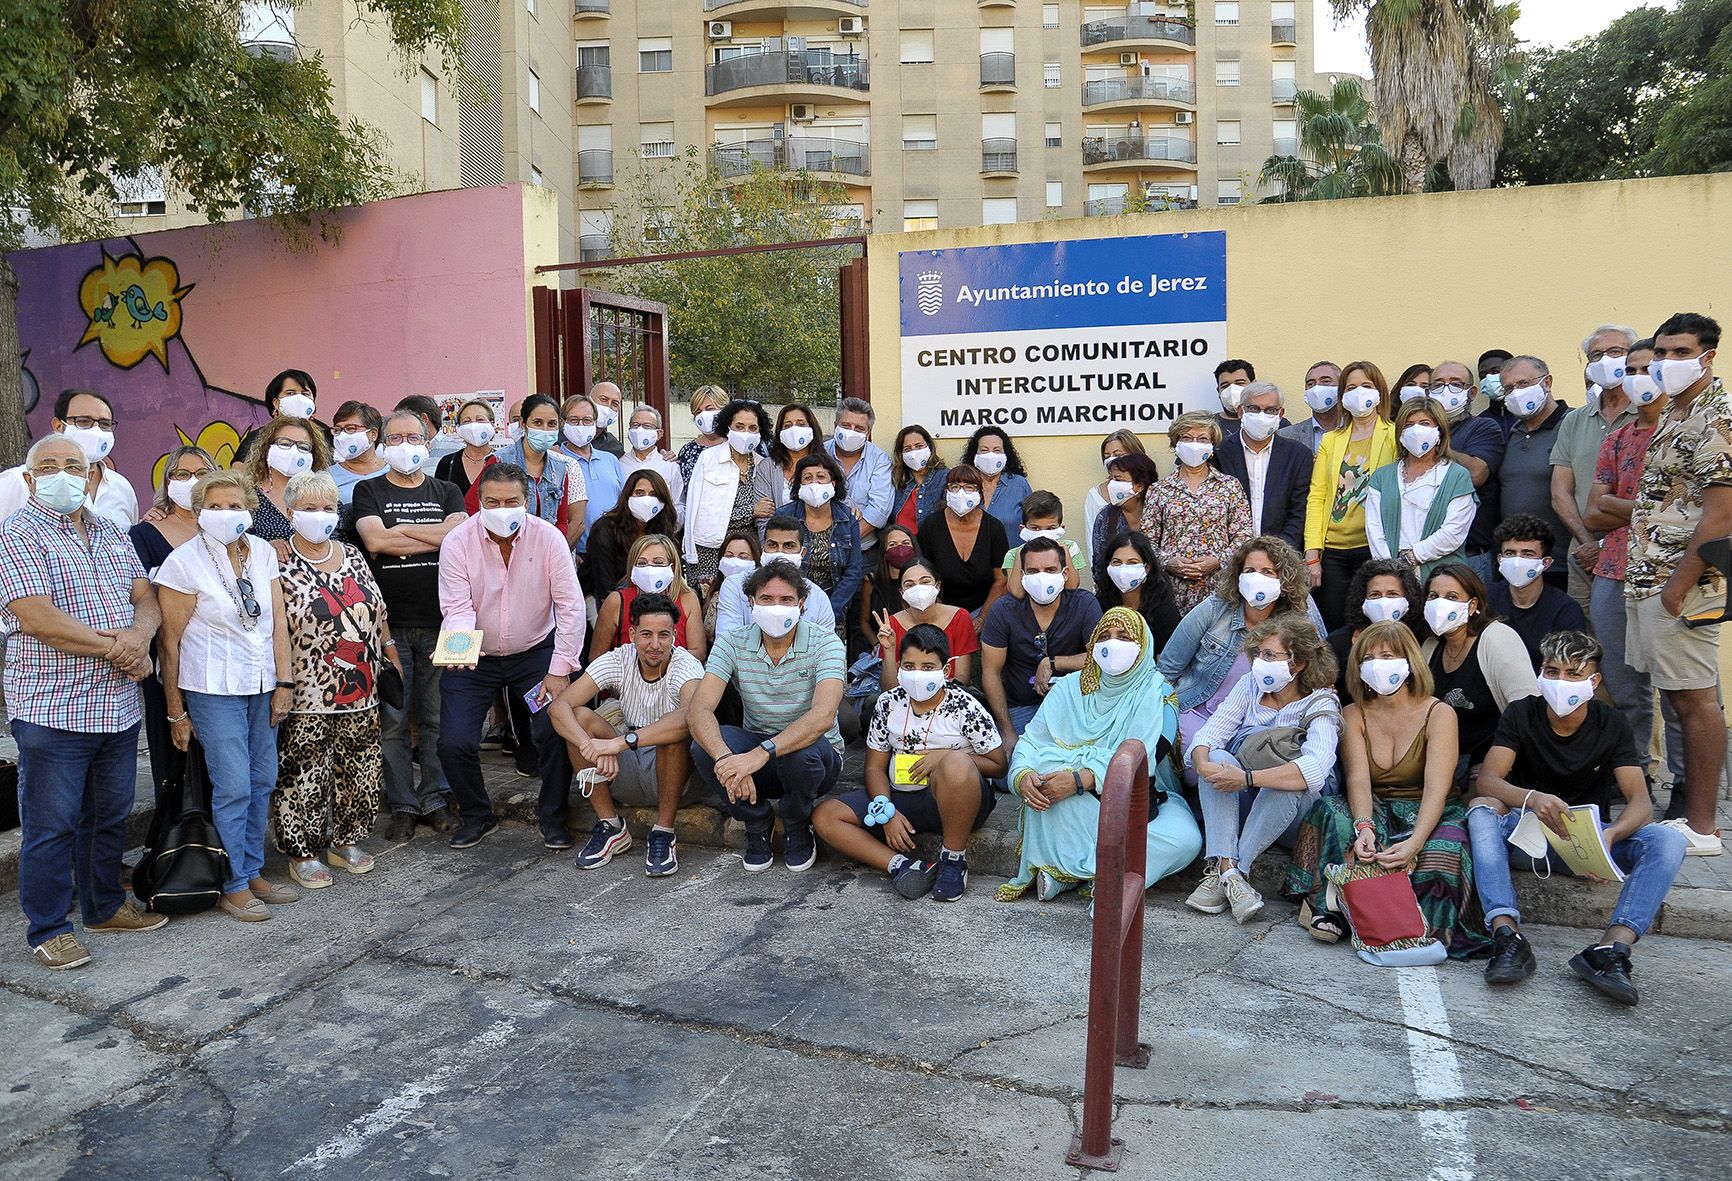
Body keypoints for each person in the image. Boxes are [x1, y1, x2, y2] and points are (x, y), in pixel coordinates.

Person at [2, 436, 165, 969]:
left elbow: (146, 598)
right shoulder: (16, 535)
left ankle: (104, 906)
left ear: (92, 475)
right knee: (52, 826)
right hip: (53, 708)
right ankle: (48, 927)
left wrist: (140, 638)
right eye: (47, 465)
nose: (62, 474)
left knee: (108, 815)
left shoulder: (112, 531)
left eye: (74, 465)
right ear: (29, 479)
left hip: (116, 707)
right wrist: (124, 650)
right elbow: (38, 618)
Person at [1466, 631, 1687, 1004]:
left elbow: (1641, 803)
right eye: (1552, 671)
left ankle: (1611, 950)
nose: (1560, 682)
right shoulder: (1523, 713)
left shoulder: (1611, 723)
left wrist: (1612, 836)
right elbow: (1488, 780)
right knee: (1481, 811)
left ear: (1594, 681)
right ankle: (1506, 936)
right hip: (1527, 838)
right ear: (1540, 673)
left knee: (1670, 839)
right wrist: (1532, 799)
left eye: (1573, 673)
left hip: (1587, 844)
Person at [1286, 621, 1488, 956]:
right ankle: (1330, 907)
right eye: (1368, 657)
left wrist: (1415, 842)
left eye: (1388, 655)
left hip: (1429, 808)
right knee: (1334, 814)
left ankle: (1423, 929)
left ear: (1409, 661)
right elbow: (1358, 778)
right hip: (1376, 804)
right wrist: (1363, 826)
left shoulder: (1440, 713)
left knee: (1445, 852)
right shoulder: (1353, 713)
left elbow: (1437, 789)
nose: (1378, 664)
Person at [155, 468, 298, 922]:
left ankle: (252, 869)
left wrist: (285, 682)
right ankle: (232, 883)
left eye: (234, 505)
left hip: (261, 685)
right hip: (213, 689)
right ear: (197, 513)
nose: (224, 513)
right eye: (213, 507)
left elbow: (277, 621)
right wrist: (176, 712)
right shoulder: (183, 562)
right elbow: (169, 643)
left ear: (250, 510)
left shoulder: (260, 552)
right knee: (234, 784)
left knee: (263, 779)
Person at [997, 607, 1203, 903]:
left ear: (1143, 645)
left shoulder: (1154, 693)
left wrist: (1081, 779)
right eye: (1104, 636)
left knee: (1185, 840)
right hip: (1063, 798)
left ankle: (1070, 873)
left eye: (1123, 636)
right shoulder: (1069, 687)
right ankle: (1087, 875)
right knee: (1050, 784)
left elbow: (1143, 759)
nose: (1112, 644)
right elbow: (1032, 740)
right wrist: (1023, 774)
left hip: (1133, 800)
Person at [436, 463, 586, 851]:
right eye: (492, 501)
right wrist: (460, 647)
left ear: (526, 501)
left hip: (536, 652)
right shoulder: (457, 542)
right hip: (477, 655)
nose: (502, 509)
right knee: (454, 740)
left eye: (511, 501)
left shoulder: (549, 539)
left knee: (553, 731)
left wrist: (560, 667)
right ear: (479, 502)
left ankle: (553, 817)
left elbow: (569, 606)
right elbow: (456, 605)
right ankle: (476, 815)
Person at [1626, 311, 1729, 855]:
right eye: (1661, 353)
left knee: (1697, 700)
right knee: (1677, 698)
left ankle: (1706, 828)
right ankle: (1692, 820)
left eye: (1679, 353)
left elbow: (1722, 516)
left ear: (1707, 356)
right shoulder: (1677, 413)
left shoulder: (1717, 417)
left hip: (1682, 585)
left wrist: (1677, 586)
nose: (1666, 363)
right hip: (1651, 576)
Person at [814, 625, 1007, 901]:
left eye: (928, 666)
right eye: (910, 665)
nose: (918, 674)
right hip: (900, 796)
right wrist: (885, 809)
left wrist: (944, 756)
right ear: (899, 667)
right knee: (826, 815)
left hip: (957, 801)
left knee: (955, 763)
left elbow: (998, 763)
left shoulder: (965, 706)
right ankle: (903, 866)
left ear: (946, 671)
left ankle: (953, 861)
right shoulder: (887, 704)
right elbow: (873, 767)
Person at [272, 471, 398, 888]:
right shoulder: (275, 557)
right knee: (305, 769)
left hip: (362, 683)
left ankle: (347, 840)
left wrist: (390, 651)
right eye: (309, 508)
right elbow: (275, 624)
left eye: (327, 508)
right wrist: (283, 683)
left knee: (361, 764)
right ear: (290, 512)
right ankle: (302, 851)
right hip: (308, 687)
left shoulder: (351, 553)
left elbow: (377, 610)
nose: (319, 516)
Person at [688, 560, 846, 872]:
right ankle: (756, 821)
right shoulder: (732, 641)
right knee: (703, 747)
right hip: (757, 758)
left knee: (803, 753)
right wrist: (725, 759)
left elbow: (824, 715)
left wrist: (759, 754)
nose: (776, 608)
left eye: (786, 600)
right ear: (751, 603)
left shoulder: (825, 642)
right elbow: (699, 709)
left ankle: (797, 823)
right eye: (766, 599)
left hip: (812, 760)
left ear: (801, 604)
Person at [353, 413, 468, 839]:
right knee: (395, 721)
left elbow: (457, 538)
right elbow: (375, 541)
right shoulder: (369, 489)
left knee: (440, 716)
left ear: (428, 441)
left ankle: (436, 797)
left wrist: (399, 528)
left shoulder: (448, 489)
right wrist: (430, 534)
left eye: (414, 437)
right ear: (381, 444)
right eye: (396, 437)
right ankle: (402, 802)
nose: (406, 444)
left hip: (448, 621)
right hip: (389, 627)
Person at [1187, 616, 1341, 924]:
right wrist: (1203, 763)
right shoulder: (1250, 686)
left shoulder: (1321, 701)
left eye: (1270, 655)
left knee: (1287, 780)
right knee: (1216, 755)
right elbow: (1209, 735)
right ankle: (1230, 871)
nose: (1259, 661)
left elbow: (1314, 770)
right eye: (1257, 653)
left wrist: (1246, 778)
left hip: (1292, 815)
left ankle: (1232, 871)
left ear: (1297, 663)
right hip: (1246, 801)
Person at [550, 591, 703, 877]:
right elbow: (559, 707)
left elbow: (689, 718)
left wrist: (618, 744)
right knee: (580, 718)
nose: (655, 645)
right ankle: (611, 826)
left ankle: (663, 832)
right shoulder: (619, 659)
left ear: (674, 636)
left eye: (664, 635)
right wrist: (592, 746)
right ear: (632, 634)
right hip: (626, 767)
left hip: (675, 776)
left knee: (673, 729)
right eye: (646, 634)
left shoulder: (686, 665)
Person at [1586, 343, 1675, 807]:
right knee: (1623, 687)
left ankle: (1683, 784)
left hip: (1676, 574)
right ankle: (1634, 776)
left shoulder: (1686, 434)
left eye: (1649, 368)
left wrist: (1624, 506)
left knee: (1681, 689)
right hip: (1614, 569)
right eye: (1633, 369)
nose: (1640, 377)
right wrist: (1654, 509)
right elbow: (1595, 511)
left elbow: (1698, 514)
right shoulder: (1617, 439)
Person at [1159, 536, 1325, 760]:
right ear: (1237, 576)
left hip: (1260, 722)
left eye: (1267, 572)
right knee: (1198, 763)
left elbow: (1318, 675)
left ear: (1284, 581)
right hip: (1199, 712)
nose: (1257, 578)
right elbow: (1168, 668)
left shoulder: (1298, 620)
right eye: (1250, 570)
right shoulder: (1214, 609)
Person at [129, 446, 217, 791]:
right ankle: (173, 833)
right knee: (172, 741)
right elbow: (141, 594)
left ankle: (217, 832)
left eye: (201, 473)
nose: (191, 482)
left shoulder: (227, 530)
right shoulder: (144, 534)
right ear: (167, 482)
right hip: (168, 654)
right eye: (181, 474)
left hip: (218, 654)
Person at [1420, 563, 1539, 784]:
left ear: (1473, 604)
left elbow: (1528, 710)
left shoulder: (1497, 638)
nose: (1440, 604)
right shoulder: (1430, 647)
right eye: (1433, 596)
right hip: (1445, 765)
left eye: (1452, 597)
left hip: (1494, 767)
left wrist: (1499, 763)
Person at [1551, 325, 1643, 613]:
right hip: (1582, 552)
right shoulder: (1574, 420)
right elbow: (1560, 492)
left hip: (1638, 549)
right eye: (1597, 355)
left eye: (1615, 352)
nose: (1605, 360)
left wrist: (1606, 545)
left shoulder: (1649, 416)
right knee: (1586, 638)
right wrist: (1588, 543)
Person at [980, 536, 1103, 741]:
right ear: (1022, 575)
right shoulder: (1003, 610)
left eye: (1050, 570)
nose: (1041, 577)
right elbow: (991, 672)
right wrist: (1008, 732)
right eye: (1033, 571)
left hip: (1076, 710)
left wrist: (1054, 663)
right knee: (1011, 769)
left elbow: (1100, 657)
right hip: (1020, 710)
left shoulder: (1084, 604)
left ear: (1064, 574)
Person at [1304, 359, 1396, 631]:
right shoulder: (1331, 440)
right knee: (1335, 627)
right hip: (1332, 552)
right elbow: (1317, 496)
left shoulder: (1394, 434)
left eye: (1366, 386)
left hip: (1374, 547)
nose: (1359, 393)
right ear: (1342, 396)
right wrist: (1312, 557)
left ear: (1379, 391)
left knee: (1373, 625)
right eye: (1352, 387)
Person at [1144, 412, 1254, 616]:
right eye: (1187, 437)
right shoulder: (1159, 490)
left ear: (1212, 447)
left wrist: (1218, 560)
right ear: (1175, 445)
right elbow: (1147, 540)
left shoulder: (1230, 486)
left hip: (1220, 587)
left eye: (1202, 439)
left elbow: (1244, 536)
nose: (1195, 444)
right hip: (1171, 590)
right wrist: (1169, 561)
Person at [1364, 396, 1476, 579]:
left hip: (1443, 577)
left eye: (1425, 423)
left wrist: (1412, 557)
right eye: (1408, 425)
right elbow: (1374, 529)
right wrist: (1389, 568)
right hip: (1392, 577)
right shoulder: (1381, 477)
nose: (1416, 430)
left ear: (1440, 432)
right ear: (1400, 433)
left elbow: (1454, 531)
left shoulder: (1456, 476)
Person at [0, 389, 139, 528]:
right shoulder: (17, 481)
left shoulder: (122, 487)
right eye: (84, 421)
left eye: (104, 424)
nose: (96, 431)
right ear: (58, 426)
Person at [1492, 355, 1573, 590]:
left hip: (1560, 561)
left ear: (1547, 383)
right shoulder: (1513, 433)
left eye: (1523, 384)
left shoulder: (1572, 424)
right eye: (1508, 388)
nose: (1516, 393)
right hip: (1514, 561)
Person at [467, 394, 588, 548]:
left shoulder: (560, 468)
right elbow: (472, 508)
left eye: (551, 424)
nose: (545, 430)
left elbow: (561, 521)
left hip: (546, 554)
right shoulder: (500, 460)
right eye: (538, 423)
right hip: (505, 552)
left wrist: (552, 553)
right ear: (523, 424)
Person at [683, 399, 776, 585]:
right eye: (739, 426)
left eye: (752, 428)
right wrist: (751, 511)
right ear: (728, 428)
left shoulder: (762, 464)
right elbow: (699, 511)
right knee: (709, 603)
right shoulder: (709, 458)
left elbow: (767, 511)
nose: (745, 433)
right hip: (709, 550)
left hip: (748, 552)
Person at [1216, 381, 1313, 552]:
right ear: (1240, 411)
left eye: (1270, 410)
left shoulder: (1298, 455)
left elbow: (1299, 511)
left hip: (1283, 556)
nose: (1262, 415)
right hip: (1231, 557)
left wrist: (1277, 552)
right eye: (1253, 408)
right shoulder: (1220, 454)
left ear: (1281, 414)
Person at [1430, 360, 1507, 569]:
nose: (1445, 390)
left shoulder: (1483, 427)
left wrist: (1434, 445)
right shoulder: (1413, 432)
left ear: (1471, 393)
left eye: (1455, 384)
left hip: (1469, 556)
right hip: (1423, 552)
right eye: (1437, 384)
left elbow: (1476, 474)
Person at [1484, 514, 1586, 666]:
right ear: (1500, 559)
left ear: (1546, 563)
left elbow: (1569, 665)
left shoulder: (1565, 610)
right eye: (1510, 553)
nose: (1517, 562)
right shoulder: (1485, 597)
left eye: (1527, 554)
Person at [588, 533, 708, 663]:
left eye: (658, 563)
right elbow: (596, 657)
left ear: (672, 568)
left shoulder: (688, 599)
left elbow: (699, 653)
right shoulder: (616, 601)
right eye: (642, 563)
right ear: (633, 569)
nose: (650, 568)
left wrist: (660, 663)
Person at [713, 516, 836, 637]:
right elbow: (726, 641)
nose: (779, 552)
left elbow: (826, 649)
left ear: (802, 553)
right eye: (772, 545)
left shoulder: (818, 598)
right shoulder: (734, 586)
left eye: (789, 546)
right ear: (763, 549)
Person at [872, 557, 981, 688]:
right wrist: (889, 650)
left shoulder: (960, 617)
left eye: (924, 582)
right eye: (909, 585)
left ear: (938, 586)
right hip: (905, 698)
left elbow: (963, 678)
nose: (918, 588)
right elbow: (889, 688)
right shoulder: (891, 625)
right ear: (902, 592)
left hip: (949, 696)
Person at [918, 465, 1009, 618]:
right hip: (939, 610)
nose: (961, 493)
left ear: (979, 493)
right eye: (954, 487)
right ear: (946, 493)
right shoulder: (931, 526)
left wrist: (982, 618)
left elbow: (1001, 579)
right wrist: (944, 616)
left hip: (983, 609)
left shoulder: (994, 528)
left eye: (969, 487)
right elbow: (922, 574)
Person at [1325, 558, 1423, 697]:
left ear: (1408, 599)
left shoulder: (1422, 640)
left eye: (1392, 594)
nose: (1383, 602)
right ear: (1362, 600)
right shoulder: (1338, 643)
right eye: (1375, 595)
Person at [583, 468, 681, 606]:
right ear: (627, 496)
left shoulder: (664, 528)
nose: (646, 500)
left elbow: (675, 581)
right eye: (639, 493)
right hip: (609, 599)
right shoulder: (605, 529)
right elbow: (605, 590)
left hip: (657, 601)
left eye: (653, 494)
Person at [789, 450, 863, 621]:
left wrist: (831, 610)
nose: (814, 483)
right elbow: (776, 563)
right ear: (799, 485)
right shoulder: (785, 516)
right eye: (807, 478)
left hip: (835, 606)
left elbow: (854, 570)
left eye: (821, 477)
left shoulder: (847, 518)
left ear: (833, 483)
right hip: (792, 606)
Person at [244, 413, 333, 547]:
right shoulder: (246, 496)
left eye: (303, 447)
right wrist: (265, 548)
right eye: (284, 444)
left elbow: (341, 542)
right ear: (267, 448)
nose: (293, 451)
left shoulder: (327, 498)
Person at [556, 394, 626, 560]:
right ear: (563, 423)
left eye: (587, 420)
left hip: (615, 552)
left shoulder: (611, 460)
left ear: (595, 423)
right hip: (577, 553)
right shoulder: (556, 461)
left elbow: (624, 505)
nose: (581, 425)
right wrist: (569, 551)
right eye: (574, 420)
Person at [1093, 531, 1181, 659]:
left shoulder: (1164, 611)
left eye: (1132, 563)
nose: (1123, 570)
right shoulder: (1099, 606)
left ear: (1147, 568)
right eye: (1116, 562)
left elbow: (1166, 663)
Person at [825, 396, 893, 552]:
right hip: (820, 552)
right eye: (846, 425)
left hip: (863, 551)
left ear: (868, 433)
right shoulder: (820, 453)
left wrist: (841, 542)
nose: (851, 432)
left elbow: (879, 511)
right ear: (835, 425)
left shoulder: (879, 460)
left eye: (859, 428)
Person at [1003, 490, 1086, 597]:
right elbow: (1016, 593)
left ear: (1061, 528)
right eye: (1035, 528)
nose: (1043, 534)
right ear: (1023, 529)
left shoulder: (1070, 548)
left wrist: (1064, 552)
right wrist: (1021, 553)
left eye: (1050, 528)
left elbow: (1072, 587)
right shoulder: (1013, 555)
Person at [234, 369, 323, 463]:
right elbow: (239, 470)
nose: (300, 398)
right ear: (276, 403)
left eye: (305, 394)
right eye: (290, 393)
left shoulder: (323, 442)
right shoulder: (256, 439)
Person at [1082, 430, 1147, 557]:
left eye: (1118, 455)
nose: (1111, 460)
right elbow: (1093, 544)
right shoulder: (1095, 495)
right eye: (1107, 456)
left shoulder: (1153, 492)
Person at [961, 426, 1033, 536]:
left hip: (1012, 552)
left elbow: (1034, 522)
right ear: (975, 455)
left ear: (1005, 455)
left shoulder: (1019, 484)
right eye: (984, 450)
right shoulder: (963, 485)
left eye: (997, 450)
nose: (990, 455)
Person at [857, 523, 916, 653]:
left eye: (905, 543)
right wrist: (878, 645)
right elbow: (864, 623)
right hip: (882, 648)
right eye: (892, 545)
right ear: (884, 552)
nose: (900, 549)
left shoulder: (923, 582)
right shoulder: (870, 581)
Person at [1089, 453, 1158, 564]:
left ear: (1139, 486)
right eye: (1111, 478)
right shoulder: (1107, 516)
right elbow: (1099, 562)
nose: (1111, 485)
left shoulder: (1160, 513)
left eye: (1118, 479)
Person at [621, 404, 684, 521]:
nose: (640, 430)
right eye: (635, 425)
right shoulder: (618, 464)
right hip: (625, 531)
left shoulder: (669, 466)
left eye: (647, 426)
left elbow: (679, 505)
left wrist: (667, 526)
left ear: (659, 434)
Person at [434, 398, 502, 499]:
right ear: (459, 428)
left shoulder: (502, 460)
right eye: (467, 421)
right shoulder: (447, 463)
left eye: (480, 420)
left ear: (492, 424)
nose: (473, 426)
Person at [763, 402, 825, 510]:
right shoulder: (767, 467)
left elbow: (841, 501)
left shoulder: (827, 464)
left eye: (801, 424)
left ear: (812, 429)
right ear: (780, 432)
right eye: (787, 425)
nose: (794, 430)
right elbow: (764, 515)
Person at [328, 401, 388, 510]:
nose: (342, 436)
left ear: (373, 434)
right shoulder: (326, 478)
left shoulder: (395, 472)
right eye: (337, 430)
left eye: (350, 428)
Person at [890, 424, 949, 534]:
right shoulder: (896, 480)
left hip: (932, 547)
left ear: (929, 447)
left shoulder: (945, 478)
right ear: (901, 454)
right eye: (907, 449)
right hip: (903, 547)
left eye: (919, 446)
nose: (913, 453)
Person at [703, 530, 760, 641]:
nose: (734, 562)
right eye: (729, 556)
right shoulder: (704, 587)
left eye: (743, 557)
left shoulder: (761, 594)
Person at [1279, 360, 1343, 454]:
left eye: (1325, 381)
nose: (1316, 389)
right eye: (1310, 384)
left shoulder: (1359, 430)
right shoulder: (1285, 435)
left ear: (1341, 387)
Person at [676, 384, 729, 486]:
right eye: (698, 411)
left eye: (709, 409)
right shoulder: (688, 451)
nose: (704, 415)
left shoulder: (738, 446)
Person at [397, 394, 459, 462]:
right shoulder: (399, 451)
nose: (399, 427)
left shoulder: (457, 450)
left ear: (423, 419)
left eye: (404, 420)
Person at [1213, 357, 1256, 437]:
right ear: (1218, 391)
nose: (1232, 390)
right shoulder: (1207, 425)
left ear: (1254, 386)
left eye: (1239, 383)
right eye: (1225, 386)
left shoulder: (1273, 422)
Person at [587, 380, 627, 457]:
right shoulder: (563, 437)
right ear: (590, 400)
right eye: (603, 399)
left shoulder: (614, 447)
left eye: (615, 403)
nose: (608, 406)